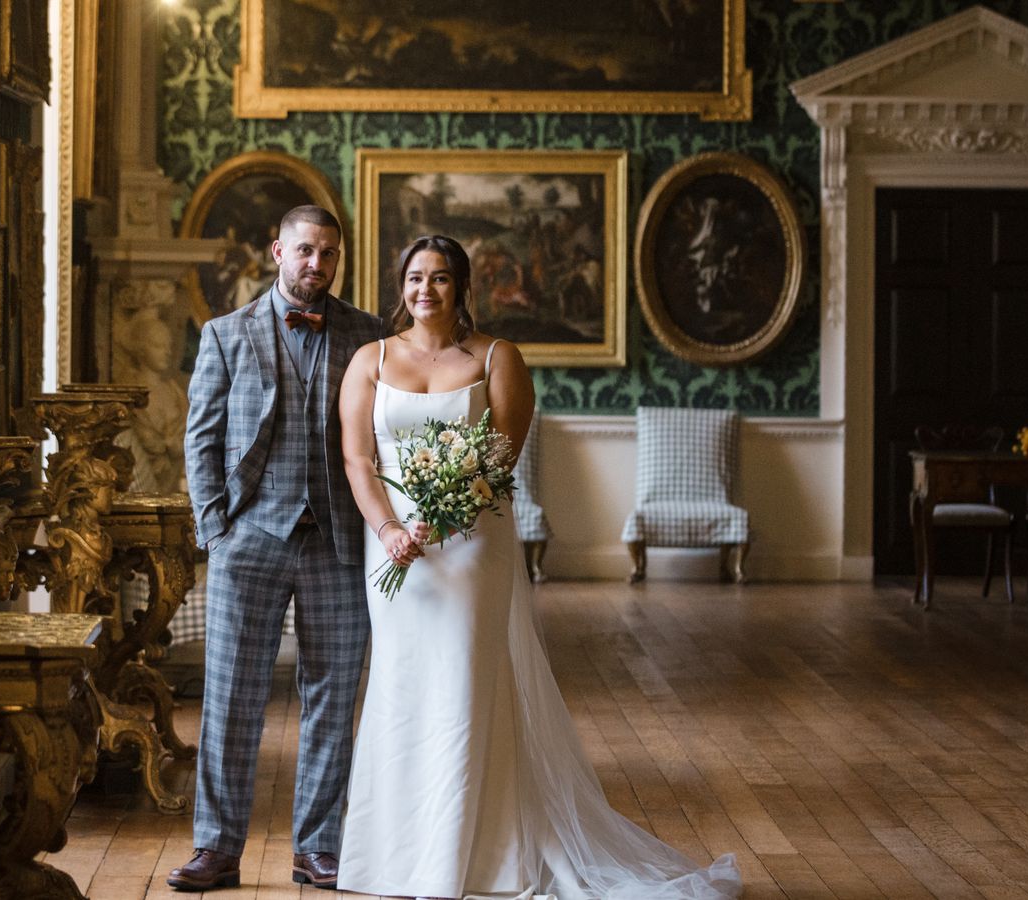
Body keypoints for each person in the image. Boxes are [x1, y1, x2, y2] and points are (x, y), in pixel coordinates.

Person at [335, 234, 743, 899]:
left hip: (470, 545)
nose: (424, 290)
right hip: (393, 551)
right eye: (414, 278)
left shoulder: (498, 357)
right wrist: (387, 528)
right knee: (400, 689)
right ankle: (392, 858)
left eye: (440, 279)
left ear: (462, 287)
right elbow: (357, 459)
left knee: (466, 686)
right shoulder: (369, 360)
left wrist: (439, 517)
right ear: (399, 285)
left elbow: (499, 455)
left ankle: (471, 858)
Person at [174, 204, 386, 892]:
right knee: (230, 697)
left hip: (337, 543)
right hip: (249, 540)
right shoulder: (224, 334)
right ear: (276, 251)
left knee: (331, 697)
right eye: (303, 251)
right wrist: (214, 529)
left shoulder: (368, 337)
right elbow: (200, 438)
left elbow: (381, 440)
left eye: (327, 253)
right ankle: (216, 848)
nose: (315, 264)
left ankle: (318, 847)